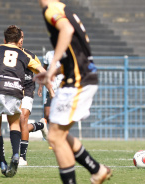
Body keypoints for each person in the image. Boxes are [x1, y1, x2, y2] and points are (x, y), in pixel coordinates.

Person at [35, 1, 112, 183]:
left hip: (78, 80)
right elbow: (77, 53)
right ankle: (97, 169)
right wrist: (53, 71)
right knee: (58, 134)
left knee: (54, 137)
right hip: (79, 76)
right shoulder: (63, 8)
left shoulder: (51, 9)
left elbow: (67, 31)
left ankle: (97, 170)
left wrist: (52, 64)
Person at [0, 25, 46, 177]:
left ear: (4, 39)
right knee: (14, 123)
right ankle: (16, 154)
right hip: (15, 89)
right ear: (19, 40)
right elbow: (41, 71)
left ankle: (2, 162)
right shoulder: (25, 55)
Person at [17, 29, 53, 166]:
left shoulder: (30, 55)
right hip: (11, 91)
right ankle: (41, 125)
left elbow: (40, 71)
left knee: (22, 120)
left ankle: (22, 158)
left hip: (27, 89)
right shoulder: (4, 54)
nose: (21, 40)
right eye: (19, 37)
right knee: (18, 127)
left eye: (22, 37)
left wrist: (42, 86)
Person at [43, 50, 63, 123]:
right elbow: (43, 70)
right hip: (51, 89)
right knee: (47, 115)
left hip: (62, 90)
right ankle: (45, 132)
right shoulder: (49, 54)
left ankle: (58, 133)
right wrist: (41, 86)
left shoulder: (66, 54)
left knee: (60, 116)